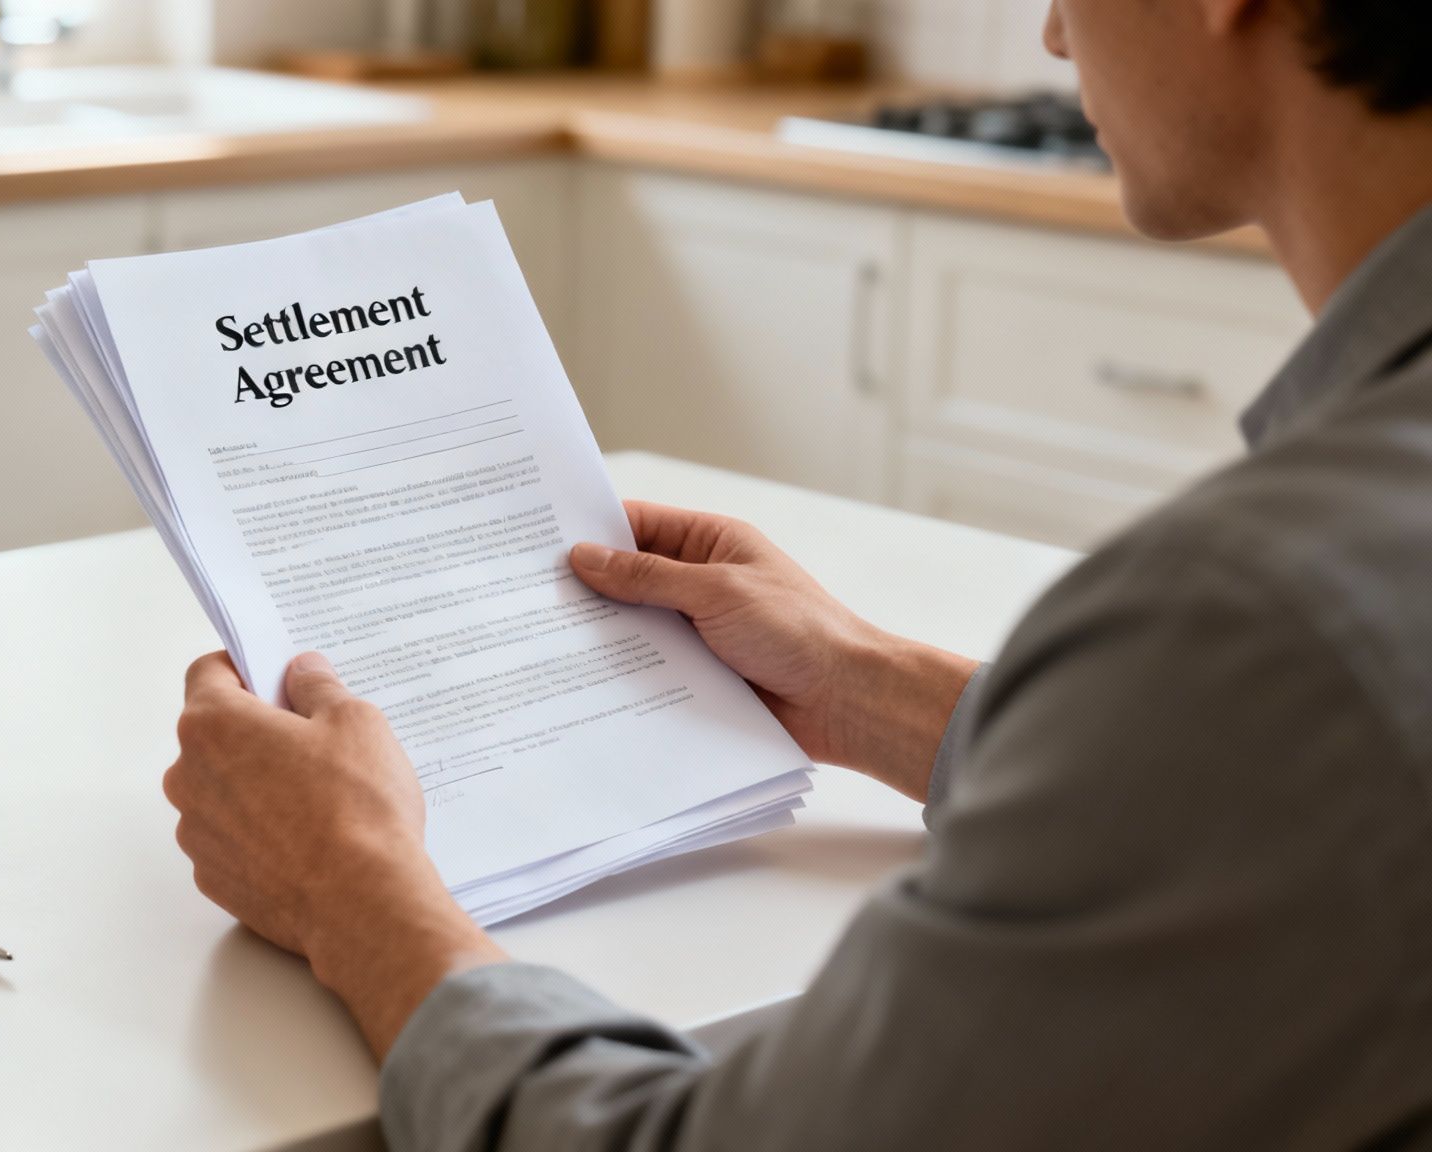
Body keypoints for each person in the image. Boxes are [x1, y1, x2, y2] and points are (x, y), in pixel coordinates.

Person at [160, 1, 1432, 1147]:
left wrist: (353, 889)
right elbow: (1296, 787)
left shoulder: (1264, 616)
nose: (1050, 34)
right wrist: (867, 686)